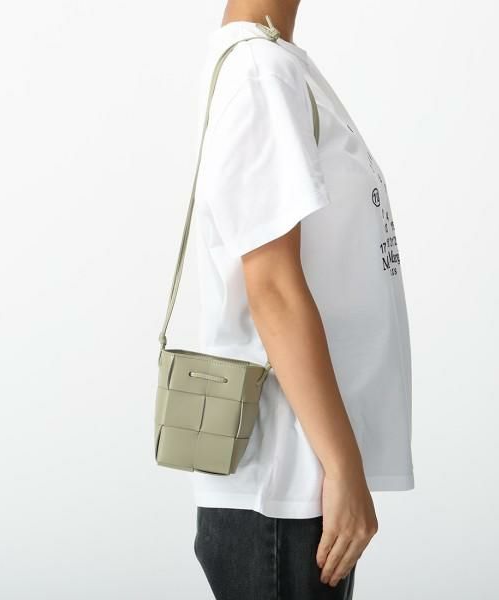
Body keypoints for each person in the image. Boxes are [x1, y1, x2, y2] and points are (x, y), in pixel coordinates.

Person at [190, 1, 414, 598]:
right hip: (285, 483)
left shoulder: (275, 61)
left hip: (299, 475)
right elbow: (272, 286)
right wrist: (342, 465)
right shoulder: (260, 71)